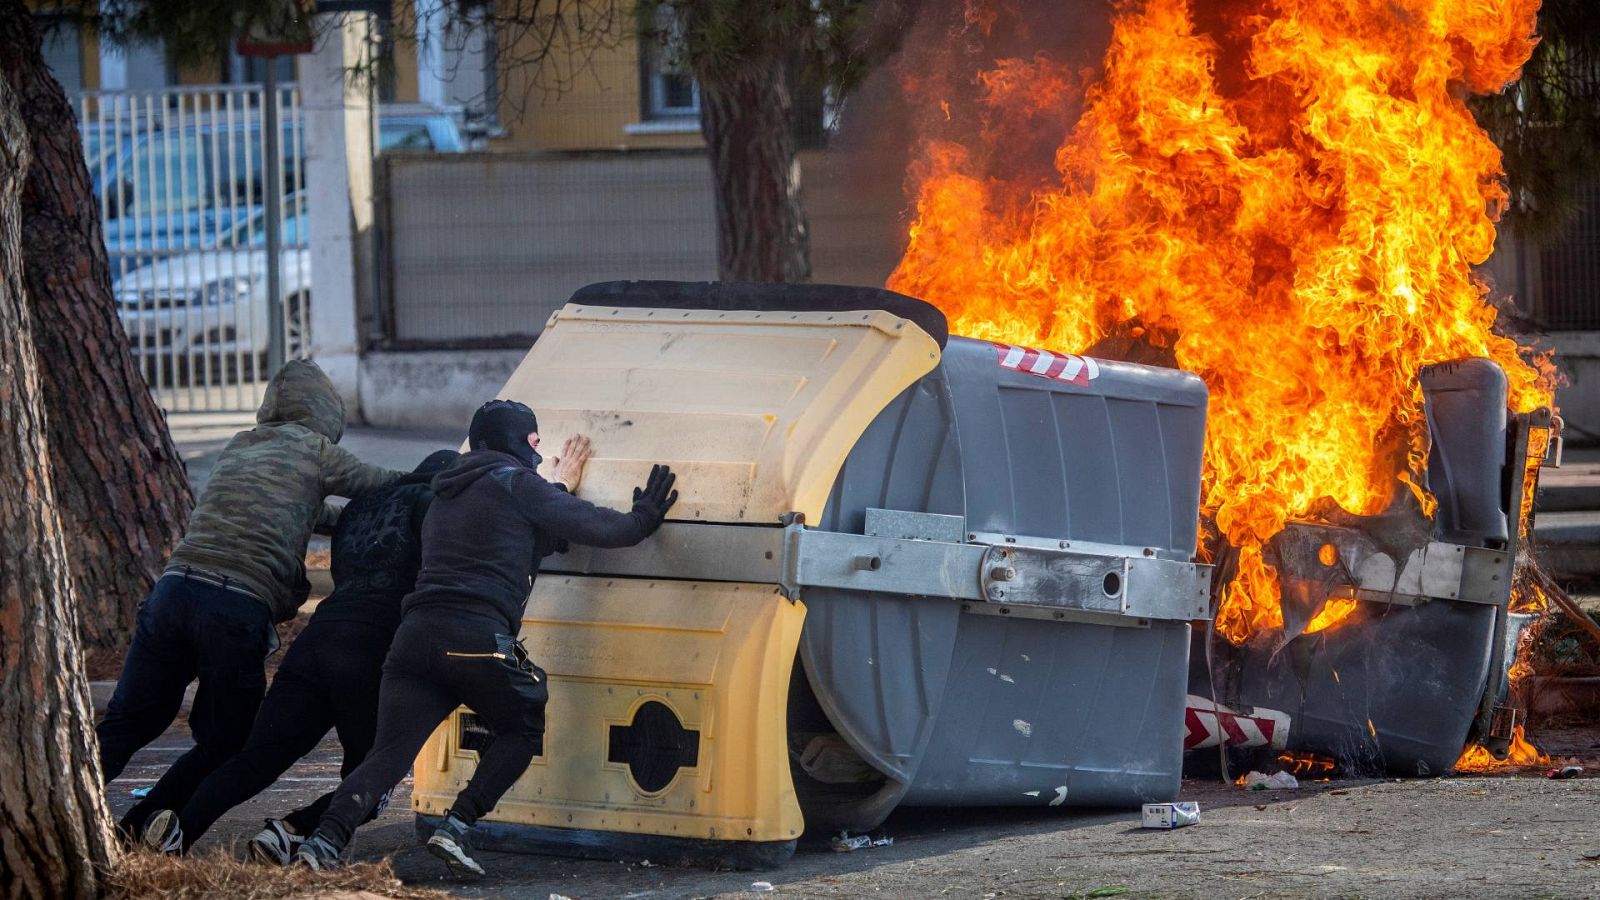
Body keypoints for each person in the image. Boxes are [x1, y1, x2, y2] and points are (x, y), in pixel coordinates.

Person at [295, 399, 679, 876]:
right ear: (518, 443)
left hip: (414, 640)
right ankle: (457, 826)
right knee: (523, 722)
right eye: (535, 442)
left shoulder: (446, 495)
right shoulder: (519, 483)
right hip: (478, 638)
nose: (539, 453)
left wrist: (553, 487)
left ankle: (323, 842)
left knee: (388, 754)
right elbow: (604, 528)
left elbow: (522, 533)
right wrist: (644, 515)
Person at [97, 360, 402, 840]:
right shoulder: (317, 450)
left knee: (128, 723)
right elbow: (385, 485)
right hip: (235, 608)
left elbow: (292, 506)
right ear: (326, 413)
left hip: (173, 592)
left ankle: (60, 814)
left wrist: (330, 522)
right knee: (229, 741)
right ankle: (143, 829)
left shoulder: (240, 444)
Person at [136, 449, 461, 857]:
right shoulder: (433, 507)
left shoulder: (362, 506)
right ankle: (294, 829)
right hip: (370, 648)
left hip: (316, 639)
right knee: (371, 778)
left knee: (257, 757)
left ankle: (177, 834)